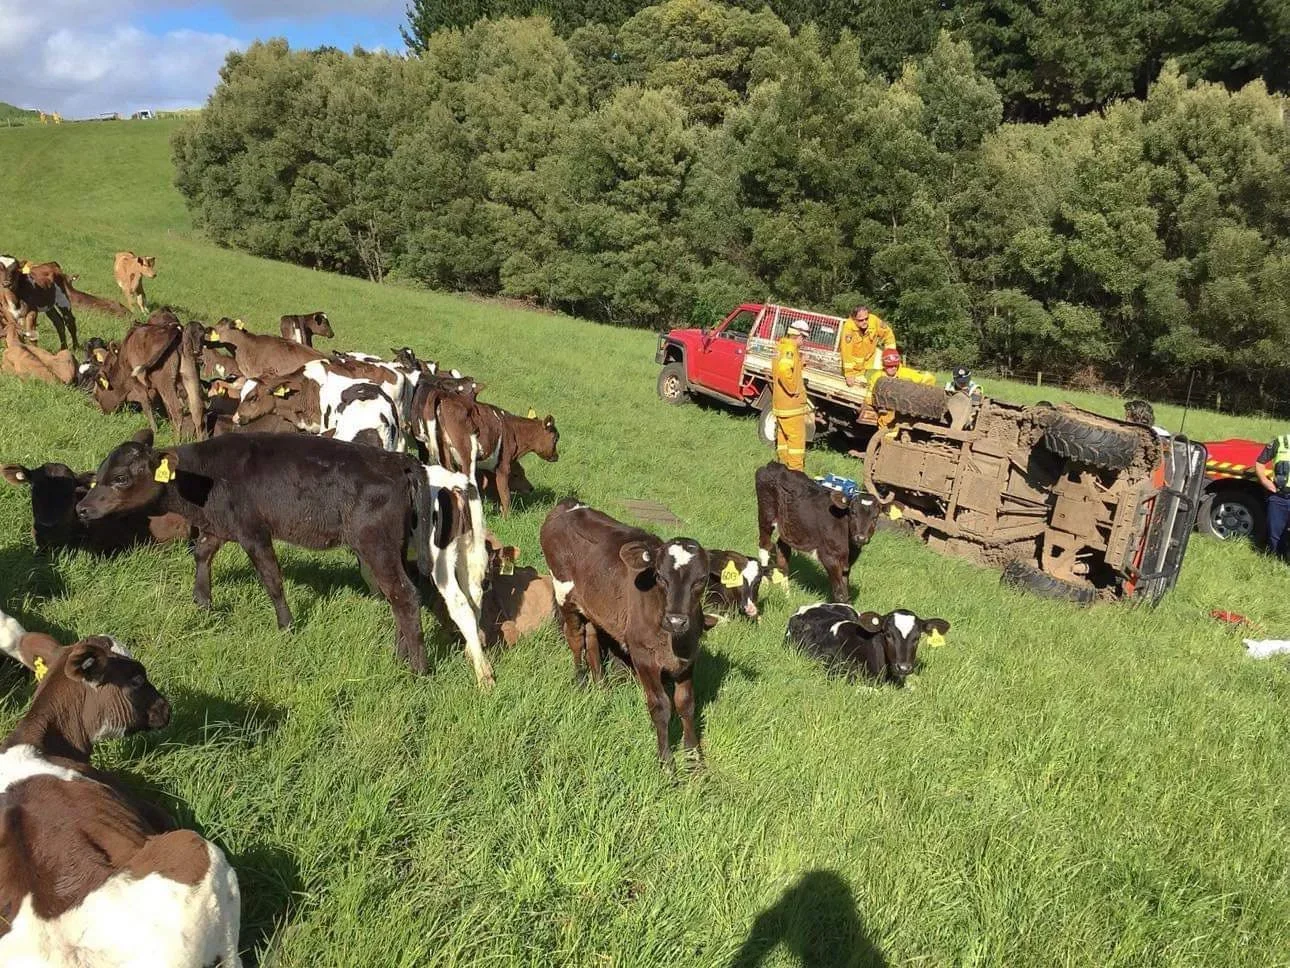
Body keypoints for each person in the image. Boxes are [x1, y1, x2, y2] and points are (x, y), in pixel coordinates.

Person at [772, 319, 812, 472]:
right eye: (805, 338)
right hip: (791, 406)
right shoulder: (790, 348)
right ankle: (796, 475)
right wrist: (794, 390)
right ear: (799, 335)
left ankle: (782, 471)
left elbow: (787, 368)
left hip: (781, 405)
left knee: (783, 440)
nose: (805, 341)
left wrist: (801, 363)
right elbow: (784, 370)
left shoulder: (781, 346)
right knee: (796, 443)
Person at [1254, 433, 1290, 561]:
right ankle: (1275, 561)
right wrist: (1265, 481)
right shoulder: (1280, 442)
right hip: (1280, 496)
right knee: (1275, 534)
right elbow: (1260, 462)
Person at [839, 305, 895, 386]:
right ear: (854, 319)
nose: (865, 321)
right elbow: (846, 352)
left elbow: (888, 334)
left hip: (870, 362)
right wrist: (849, 374)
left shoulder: (874, 320)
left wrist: (891, 355)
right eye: (861, 320)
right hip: (855, 368)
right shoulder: (848, 328)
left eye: (866, 318)